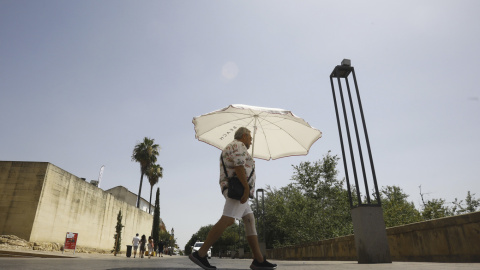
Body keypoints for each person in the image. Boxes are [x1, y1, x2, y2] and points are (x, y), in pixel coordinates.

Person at [189, 127, 277, 270]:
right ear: (243, 136)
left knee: (249, 219)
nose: (251, 141)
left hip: (236, 188)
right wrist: (246, 188)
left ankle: (258, 260)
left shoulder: (234, 146)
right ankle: (200, 253)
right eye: (250, 138)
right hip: (238, 189)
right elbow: (239, 166)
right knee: (228, 219)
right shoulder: (239, 145)